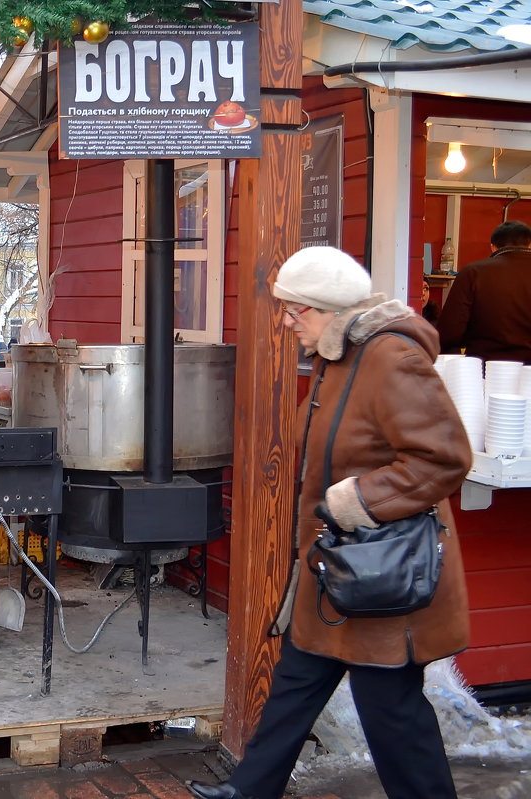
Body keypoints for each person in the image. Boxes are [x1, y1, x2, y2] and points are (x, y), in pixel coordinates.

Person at [187, 246, 471, 799]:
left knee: (393, 715)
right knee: (296, 681)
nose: (289, 323)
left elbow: (443, 458)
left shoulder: (392, 358)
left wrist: (357, 500)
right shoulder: (340, 355)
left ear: (328, 308)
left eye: (297, 311)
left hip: (381, 571)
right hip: (339, 567)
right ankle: (250, 790)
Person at [436, 219, 531, 363]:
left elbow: (450, 331)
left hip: (484, 368)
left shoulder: (473, 272)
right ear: (529, 244)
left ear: (493, 247)